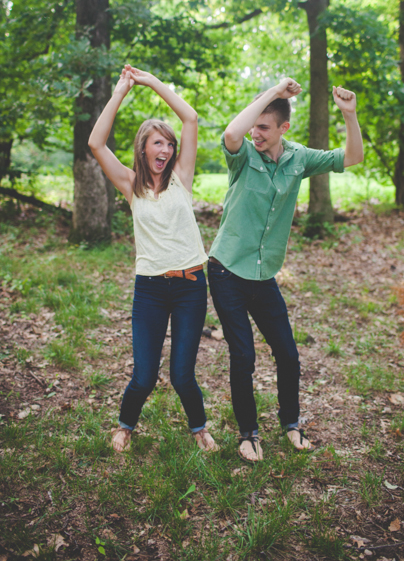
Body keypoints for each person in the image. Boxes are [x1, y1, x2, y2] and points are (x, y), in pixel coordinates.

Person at [207, 79, 364, 462]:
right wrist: (274, 92)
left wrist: (349, 114)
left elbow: (352, 157)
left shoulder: (298, 158)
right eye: (254, 126)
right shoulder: (243, 155)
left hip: (263, 277)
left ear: (284, 128)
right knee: (243, 356)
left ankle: (291, 423)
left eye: (264, 127)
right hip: (227, 271)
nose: (255, 133)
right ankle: (248, 434)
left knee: (289, 355)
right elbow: (232, 133)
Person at [88, 65, 218, 454]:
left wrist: (151, 81)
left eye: (169, 144)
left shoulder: (182, 177)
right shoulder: (130, 184)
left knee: (182, 375)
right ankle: (125, 426)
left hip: (190, 285)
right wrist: (121, 91)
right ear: (144, 148)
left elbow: (190, 118)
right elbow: (96, 143)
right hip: (149, 289)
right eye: (158, 143)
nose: (165, 150)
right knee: (144, 376)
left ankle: (199, 429)